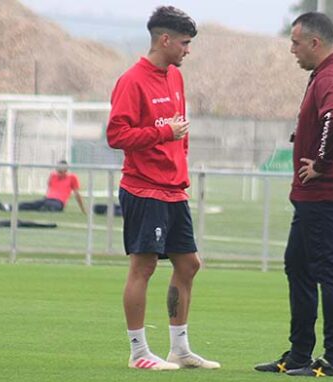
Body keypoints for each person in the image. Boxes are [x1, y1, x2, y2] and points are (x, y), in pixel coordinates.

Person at [106, 6, 219, 371]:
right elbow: (116, 135)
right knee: (144, 268)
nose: (188, 50)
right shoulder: (132, 80)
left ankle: (179, 348)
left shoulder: (175, 78)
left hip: (173, 189)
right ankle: (139, 352)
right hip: (144, 188)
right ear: (165, 40)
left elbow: (180, 133)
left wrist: (179, 167)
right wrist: (163, 133)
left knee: (189, 264)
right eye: (185, 43)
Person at [254, 12, 333, 378]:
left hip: (323, 189)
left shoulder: (332, 76)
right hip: (316, 192)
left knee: (329, 271)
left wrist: (321, 162)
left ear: (315, 43)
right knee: (298, 265)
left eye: (296, 42)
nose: (291, 49)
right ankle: (300, 354)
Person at [0, 160, 86, 213]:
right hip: (47, 199)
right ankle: (7, 207)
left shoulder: (72, 177)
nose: (59, 173)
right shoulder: (53, 176)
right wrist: (46, 197)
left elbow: (77, 194)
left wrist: (82, 209)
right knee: (31, 204)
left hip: (59, 202)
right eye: (58, 171)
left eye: (61, 171)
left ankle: (47, 209)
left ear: (66, 170)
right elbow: (50, 188)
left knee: (52, 206)